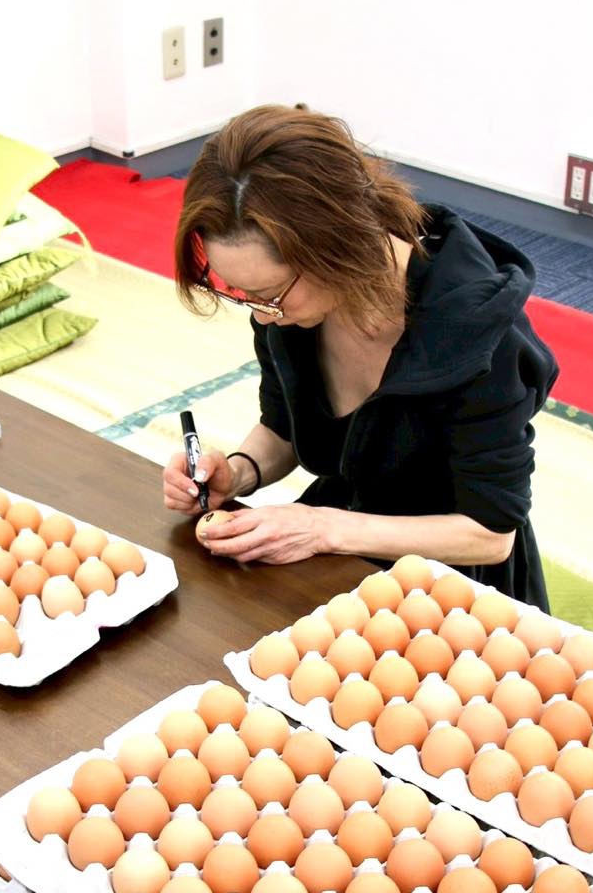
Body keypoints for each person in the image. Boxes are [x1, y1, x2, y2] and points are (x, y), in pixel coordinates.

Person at [164, 104, 558, 609]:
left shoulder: (478, 331)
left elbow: (490, 532)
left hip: (452, 576)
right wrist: (237, 472)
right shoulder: (292, 309)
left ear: (339, 248)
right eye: (243, 294)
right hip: (342, 540)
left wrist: (323, 529)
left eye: (270, 295)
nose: (262, 315)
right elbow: (284, 426)